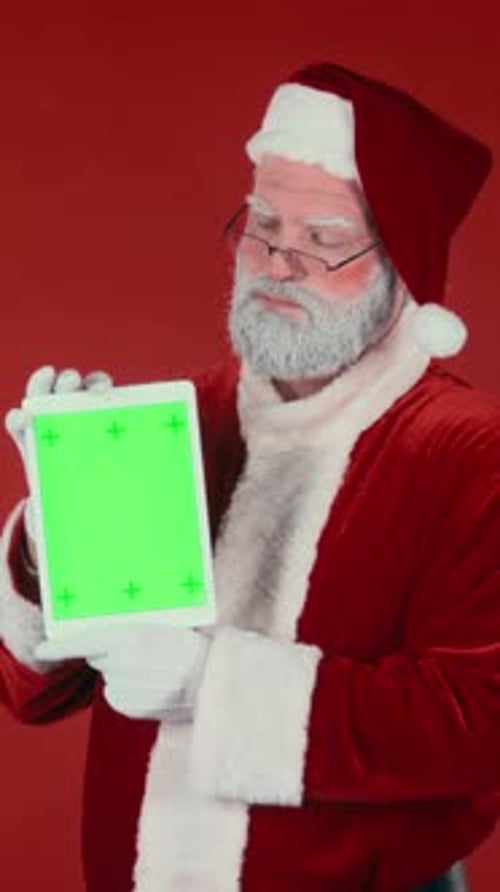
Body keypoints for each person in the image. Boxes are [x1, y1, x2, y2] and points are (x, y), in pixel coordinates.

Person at [1, 61, 499, 892]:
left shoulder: (469, 450)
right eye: (264, 225)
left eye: (325, 240)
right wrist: (53, 550)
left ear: (402, 268)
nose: (278, 262)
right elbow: (33, 692)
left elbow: (479, 716)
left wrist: (213, 684)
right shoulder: (187, 416)